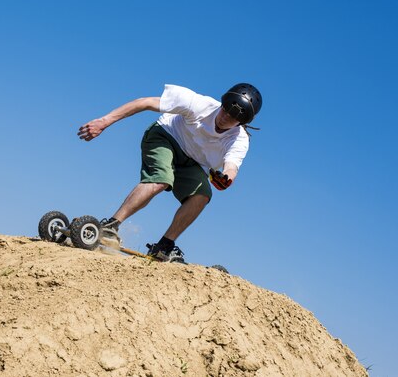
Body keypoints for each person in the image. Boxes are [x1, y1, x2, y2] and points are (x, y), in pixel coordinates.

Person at [77, 83, 262, 263]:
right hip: (166, 137)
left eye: (231, 118)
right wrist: (105, 121)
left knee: (203, 195)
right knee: (161, 179)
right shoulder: (199, 104)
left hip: (193, 163)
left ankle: (164, 246)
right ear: (222, 103)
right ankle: (110, 226)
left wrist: (226, 178)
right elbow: (145, 102)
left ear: (241, 122)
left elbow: (231, 166)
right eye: (225, 110)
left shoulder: (239, 139)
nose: (224, 117)